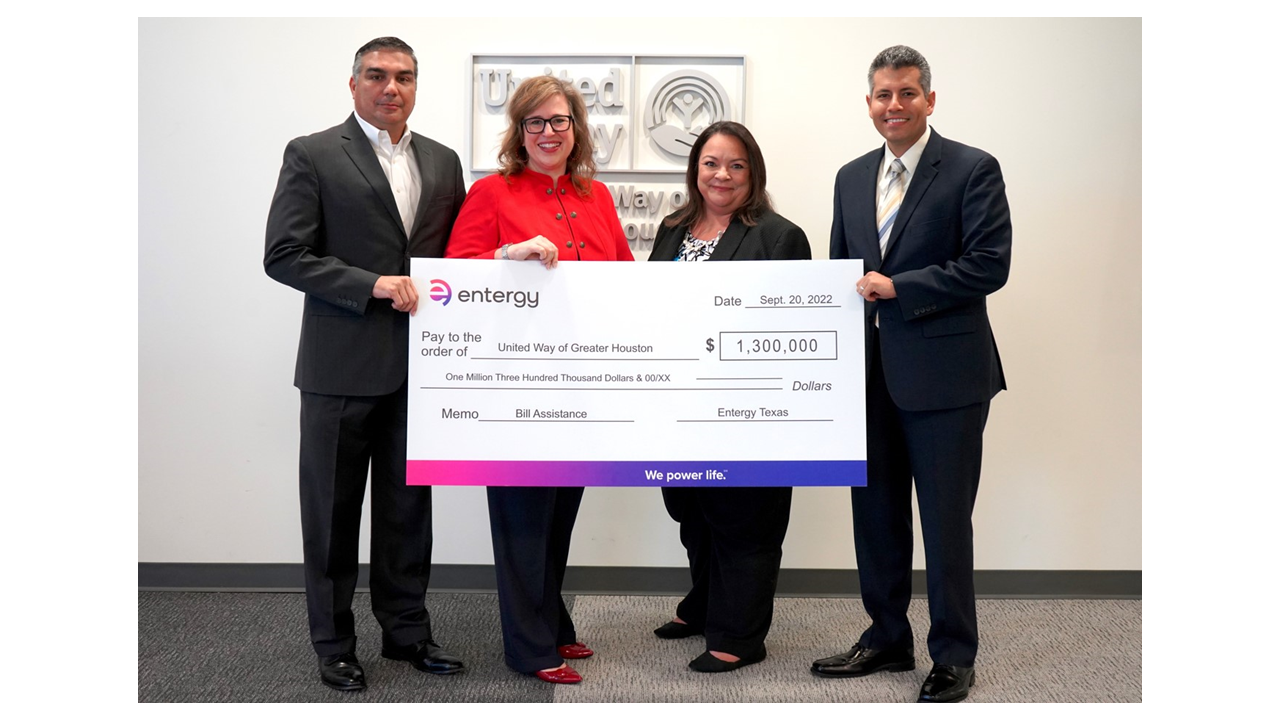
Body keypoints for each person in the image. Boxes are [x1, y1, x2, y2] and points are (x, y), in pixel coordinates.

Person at [263, 37, 466, 692]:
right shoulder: (314, 153)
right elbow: (285, 255)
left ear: (416, 85)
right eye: (376, 75)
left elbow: (455, 256)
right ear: (352, 84)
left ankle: (407, 632)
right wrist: (372, 283)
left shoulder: (443, 161)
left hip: (421, 369)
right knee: (332, 514)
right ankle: (334, 643)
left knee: (409, 512)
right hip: (339, 367)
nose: (391, 87)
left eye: (404, 77)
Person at [810, 46, 1011, 703]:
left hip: (948, 378)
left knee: (946, 522)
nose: (892, 105)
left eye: (905, 93)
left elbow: (989, 265)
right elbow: (843, 275)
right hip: (868, 377)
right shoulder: (848, 176)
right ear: (868, 103)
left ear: (929, 99)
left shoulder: (972, 169)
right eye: (881, 95)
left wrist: (901, 287)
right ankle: (886, 638)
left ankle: (953, 653)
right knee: (876, 516)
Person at [446, 74, 634, 684]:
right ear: (519, 132)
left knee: (558, 515)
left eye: (559, 121)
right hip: (515, 385)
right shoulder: (491, 192)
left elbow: (625, 279)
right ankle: (529, 648)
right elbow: (451, 276)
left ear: (576, 128)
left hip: (580, 384)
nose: (549, 132)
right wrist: (508, 255)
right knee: (522, 519)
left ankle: (553, 621)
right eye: (536, 123)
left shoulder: (597, 197)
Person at [648, 121, 810, 673]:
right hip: (680, 406)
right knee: (692, 514)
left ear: (753, 174)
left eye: (736, 165)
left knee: (746, 519)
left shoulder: (780, 236)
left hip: (748, 410)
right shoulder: (673, 228)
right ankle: (704, 605)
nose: (722, 175)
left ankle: (740, 636)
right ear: (696, 168)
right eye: (712, 162)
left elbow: (793, 331)